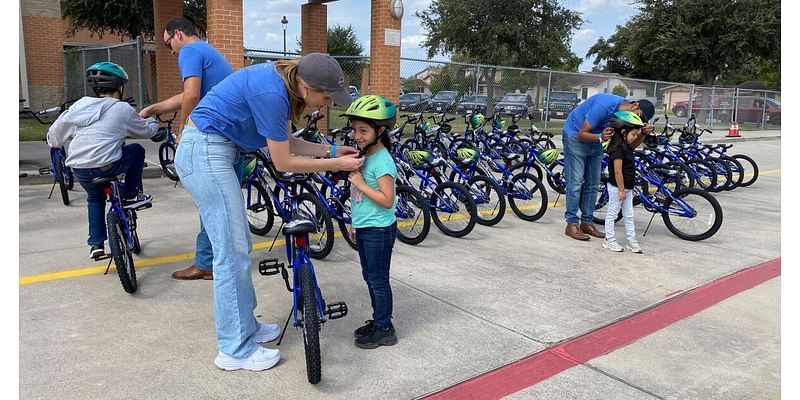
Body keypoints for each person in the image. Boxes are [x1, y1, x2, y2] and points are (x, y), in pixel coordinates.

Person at [175, 53, 362, 371]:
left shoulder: (279, 84)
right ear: (305, 87)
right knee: (231, 254)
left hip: (219, 149)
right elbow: (284, 161)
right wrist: (337, 164)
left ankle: (244, 327)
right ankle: (234, 349)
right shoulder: (272, 92)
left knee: (239, 247)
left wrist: (331, 150)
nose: (328, 103)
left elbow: (283, 142)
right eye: (326, 96)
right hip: (206, 151)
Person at [139, 17, 236, 281]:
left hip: (216, 137)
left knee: (211, 204)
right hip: (230, 135)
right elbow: (187, 94)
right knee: (215, 204)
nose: (171, 52)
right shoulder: (206, 50)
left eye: (168, 44)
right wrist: (154, 108)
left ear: (178, 35)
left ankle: (209, 263)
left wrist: (184, 131)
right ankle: (209, 261)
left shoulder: (190, 51)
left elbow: (191, 95)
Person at [47, 62, 162, 259]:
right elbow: (146, 131)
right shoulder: (122, 109)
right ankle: (132, 195)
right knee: (136, 150)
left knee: (94, 198)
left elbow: (54, 138)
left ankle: (96, 245)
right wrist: (152, 121)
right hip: (108, 165)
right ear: (120, 87)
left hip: (80, 169)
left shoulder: (79, 106)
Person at [341, 96, 400, 349]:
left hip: (379, 230)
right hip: (366, 227)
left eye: (363, 130)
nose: (357, 135)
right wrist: (355, 223)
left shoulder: (383, 161)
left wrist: (361, 184)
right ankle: (379, 320)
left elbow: (387, 200)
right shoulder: (366, 156)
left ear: (381, 131)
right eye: (355, 130)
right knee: (370, 276)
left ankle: (384, 328)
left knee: (378, 279)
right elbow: (359, 200)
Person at [561, 93, 655, 241]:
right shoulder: (604, 105)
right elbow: (581, 134)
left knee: (593, 184)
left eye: (642, 121)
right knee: (576, 183)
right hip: (575, 136)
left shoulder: (627, 117)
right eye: (639, 116)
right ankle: (571, 224)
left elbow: (629, 146)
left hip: (597, 140)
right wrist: (600, 137)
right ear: (635, 105)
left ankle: (586, 222)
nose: (638, 121)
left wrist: (643, 133)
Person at [603, 111, 647, 253]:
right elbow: (617, 172)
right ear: (623, 132)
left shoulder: (627, 147)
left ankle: (631, 240)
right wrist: (621, 190)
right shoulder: (617, 150)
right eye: (633, 134)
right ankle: (609, 240)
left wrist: (628, 189)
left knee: (629, 215)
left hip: (627, 187)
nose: (635, 138)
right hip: (618, 187)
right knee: (613, 213)